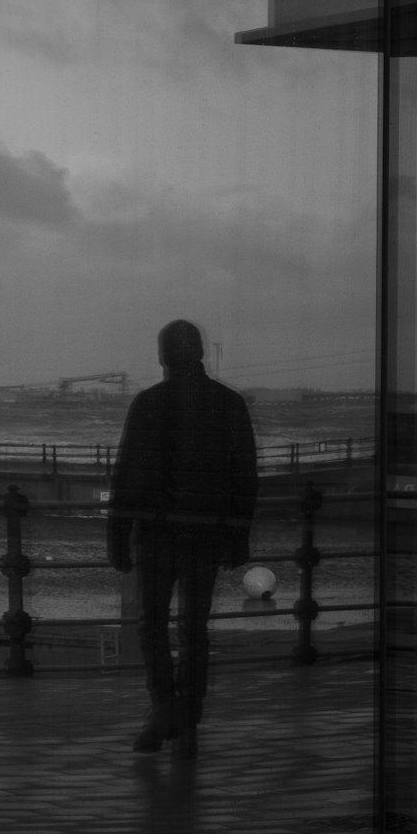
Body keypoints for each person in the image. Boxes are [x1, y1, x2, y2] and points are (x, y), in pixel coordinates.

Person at [108, 320, 257, 758]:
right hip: (208, 533)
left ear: (164, 356)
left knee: (151, 624)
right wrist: (238, 535)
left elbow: (126, 474)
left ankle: (163, 707)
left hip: (156, 533)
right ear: (200, 353)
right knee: (194, 627)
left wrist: (117, 535)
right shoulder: (228, 404)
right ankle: (189, 710)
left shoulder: (149, 404)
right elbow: (244, 476)